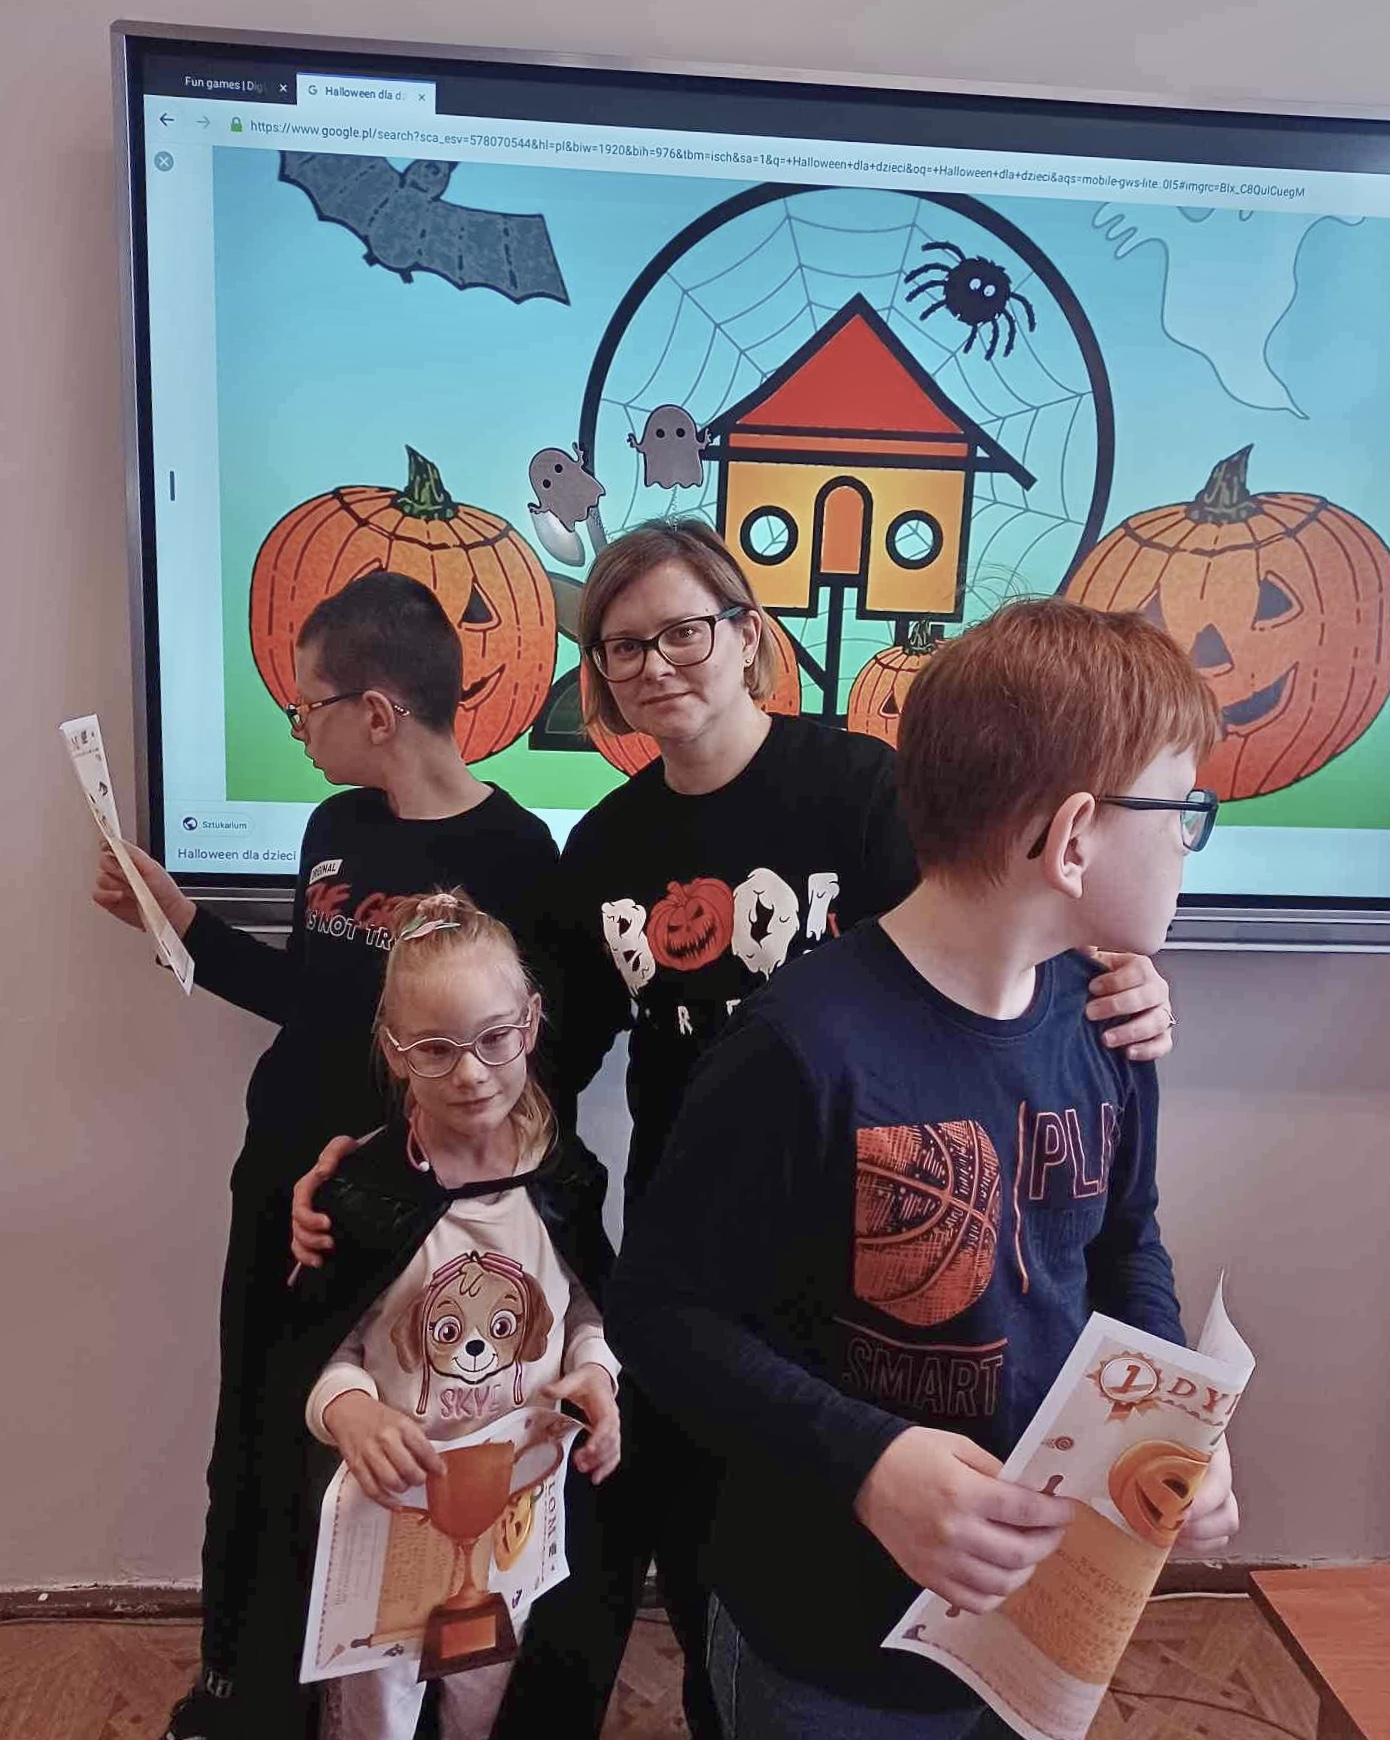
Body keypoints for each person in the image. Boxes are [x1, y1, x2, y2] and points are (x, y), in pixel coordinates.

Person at [293, 523, 1179, 1737]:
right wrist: (388, 1164)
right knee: (722, 1568)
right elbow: (529, 1060)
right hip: (709, 1256)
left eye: (681, 631)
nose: (652, 664)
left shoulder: (863, 792)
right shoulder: (607, 848)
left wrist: (1104, 979)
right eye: (620, 648)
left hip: (880, 1260)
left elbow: (987, 951)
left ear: (748, 636)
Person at [605, 596, 1239, 1740]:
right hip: (825, 1647)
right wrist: (868, 1462)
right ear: (1075, 839)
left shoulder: (1108, 1021)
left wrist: (1167, 1430)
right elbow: (659, 1315)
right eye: (1180, 807)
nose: (1188, 839)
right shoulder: (799, 1050)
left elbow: (1122, 1244)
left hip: (1033, 1619)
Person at [92, 572, 559, 1740]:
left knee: (388, 1462)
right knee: (252, 1432)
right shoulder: (334, 828)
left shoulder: (515, 856)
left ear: (379, 712)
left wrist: (395, 1186)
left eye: (307, 707)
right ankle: (235, 1692)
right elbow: (310, 997)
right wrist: (179, 920)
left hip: (401, 1220)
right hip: (279, 1181)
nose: (298, 728)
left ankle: (378, 1698)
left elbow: (510, 1070)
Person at [231, 890, 621, 1737]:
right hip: (390, 1525)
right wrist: (353, 1412)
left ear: (530, 1023)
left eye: (493, 1038)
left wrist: (596, 1374)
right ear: (395, 1052)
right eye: (437, 1049)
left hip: (512, 1522)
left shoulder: (562, 1177)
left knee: (485, 1704)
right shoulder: (363, 1196)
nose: (472, 1073)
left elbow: (587, 1308)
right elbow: (315, 1352)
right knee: (376, 1713)